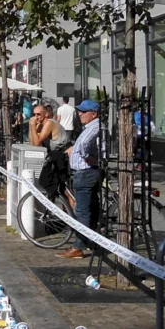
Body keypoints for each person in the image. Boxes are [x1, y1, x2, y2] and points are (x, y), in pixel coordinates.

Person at [57, 100, 102, 260]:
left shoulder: (95, 126)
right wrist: (74, 149)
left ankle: (78, 247)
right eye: (80, 111)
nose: (80, 114)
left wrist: (84, 155)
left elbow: (84, 144)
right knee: (92, 209)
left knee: (82, 211)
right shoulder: (91, 127)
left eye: (84, 112)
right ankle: (91, 241)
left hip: (85, 173)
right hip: (86, 172)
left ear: (94, 114)